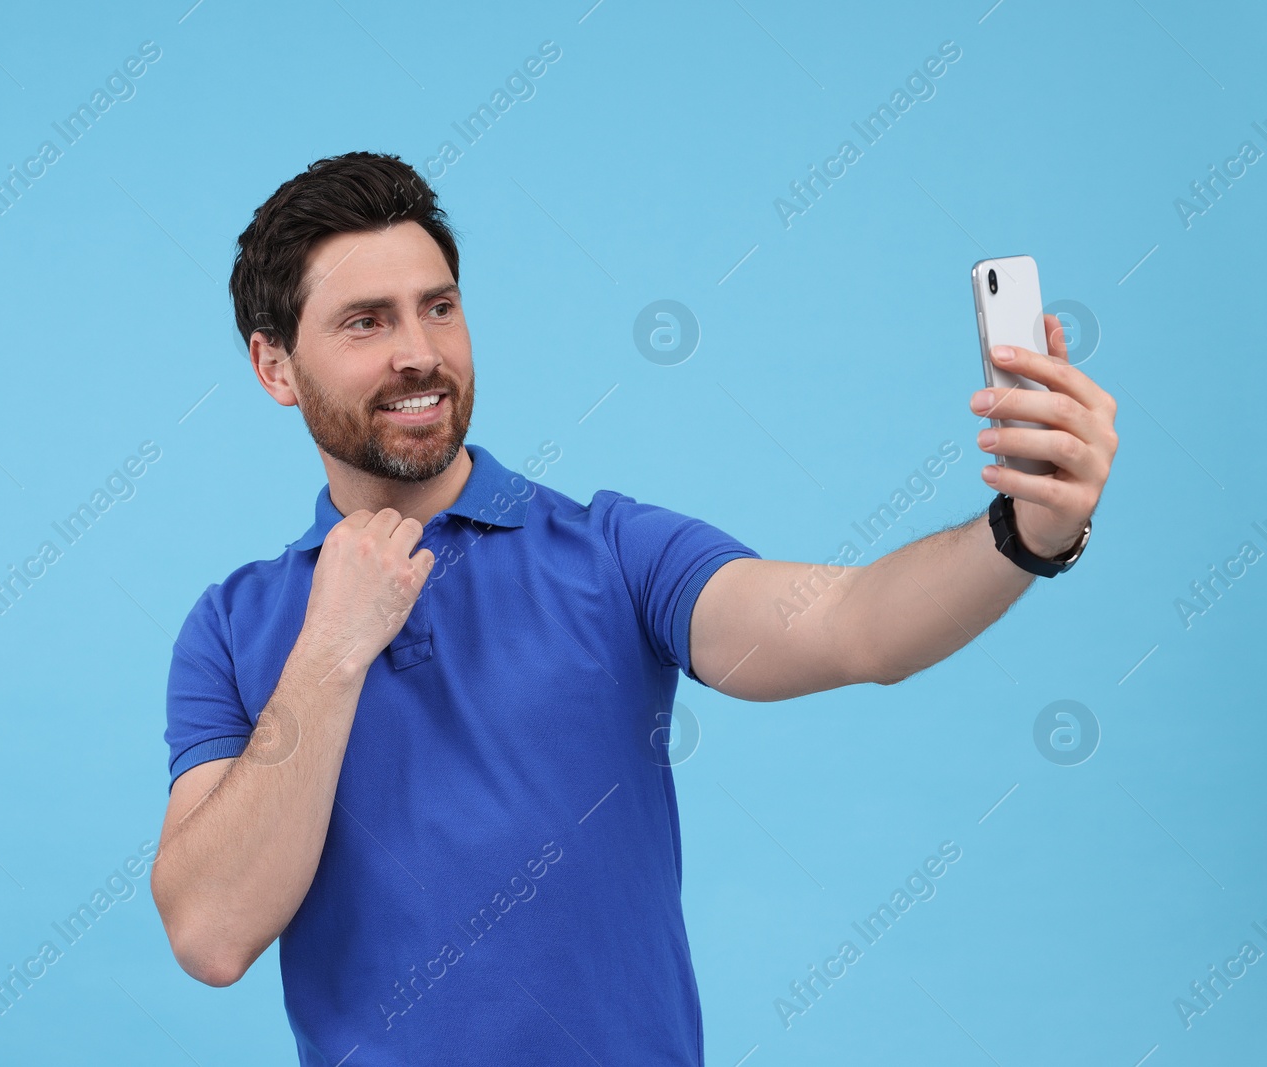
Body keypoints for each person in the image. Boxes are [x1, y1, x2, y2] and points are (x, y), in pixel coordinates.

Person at [150, 151, 1117, 1065]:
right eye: (366, 321)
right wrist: (330, 650)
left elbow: (853, 626)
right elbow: (211, 931)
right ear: (275, 367)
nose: (419, 353)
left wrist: (1023, 533)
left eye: (437, 307)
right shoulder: (233, 627)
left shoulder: (613, 553)